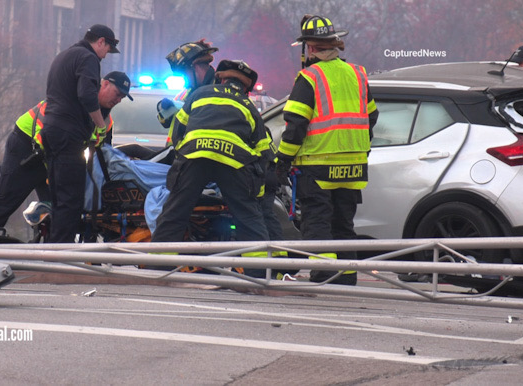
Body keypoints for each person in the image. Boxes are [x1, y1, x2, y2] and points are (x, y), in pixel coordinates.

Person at [275, 15, 379, 286]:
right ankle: (345, 275)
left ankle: (323, 273)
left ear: (310, 48)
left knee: (317, 222)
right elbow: (372, 116)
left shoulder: (309, 78)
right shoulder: (358, 73)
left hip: (318, 166)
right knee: (344, 224)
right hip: (354, 165)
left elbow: (295, 126)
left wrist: (282, 161)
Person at [0, 72, 132, 234]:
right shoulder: (75, 98)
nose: (118, 100)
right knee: (8, 196)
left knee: (60, 207)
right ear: (104, 84)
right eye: (117, 94)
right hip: (27, 144)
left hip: (55, 155)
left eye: (122, 97)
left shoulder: (107, 122)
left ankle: (51, 246)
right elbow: (48, 129)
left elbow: (102, 156)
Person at [152, 60, 271, 270]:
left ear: (221, 78)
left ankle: (159, 266)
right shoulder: (248, 105)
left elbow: (177, 130)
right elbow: (262, 151)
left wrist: (183, 157)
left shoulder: (200, 94)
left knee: (175, 211)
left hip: (195, 154)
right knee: (248, 216)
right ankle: (259, 272)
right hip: (233, 161)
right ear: (244, 88)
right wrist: (256, 191)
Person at [40, 24, 119, 243]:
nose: (106, 56)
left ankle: (51, 250)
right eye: (107, 50)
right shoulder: (88, 58)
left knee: (57, 196)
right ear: (101, 41)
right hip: (69, 134)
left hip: (51, 131)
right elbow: (86, 95)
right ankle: (61, 255)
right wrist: (99, 124)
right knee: (70, 198)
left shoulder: (65, 55)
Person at [157, 39, 219, 147]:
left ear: (195, 67)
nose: (184, 79)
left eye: (184, 74)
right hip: (176, 157)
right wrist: (162, 107)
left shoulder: (219, 91)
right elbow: (165, 122)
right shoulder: (186, 93)